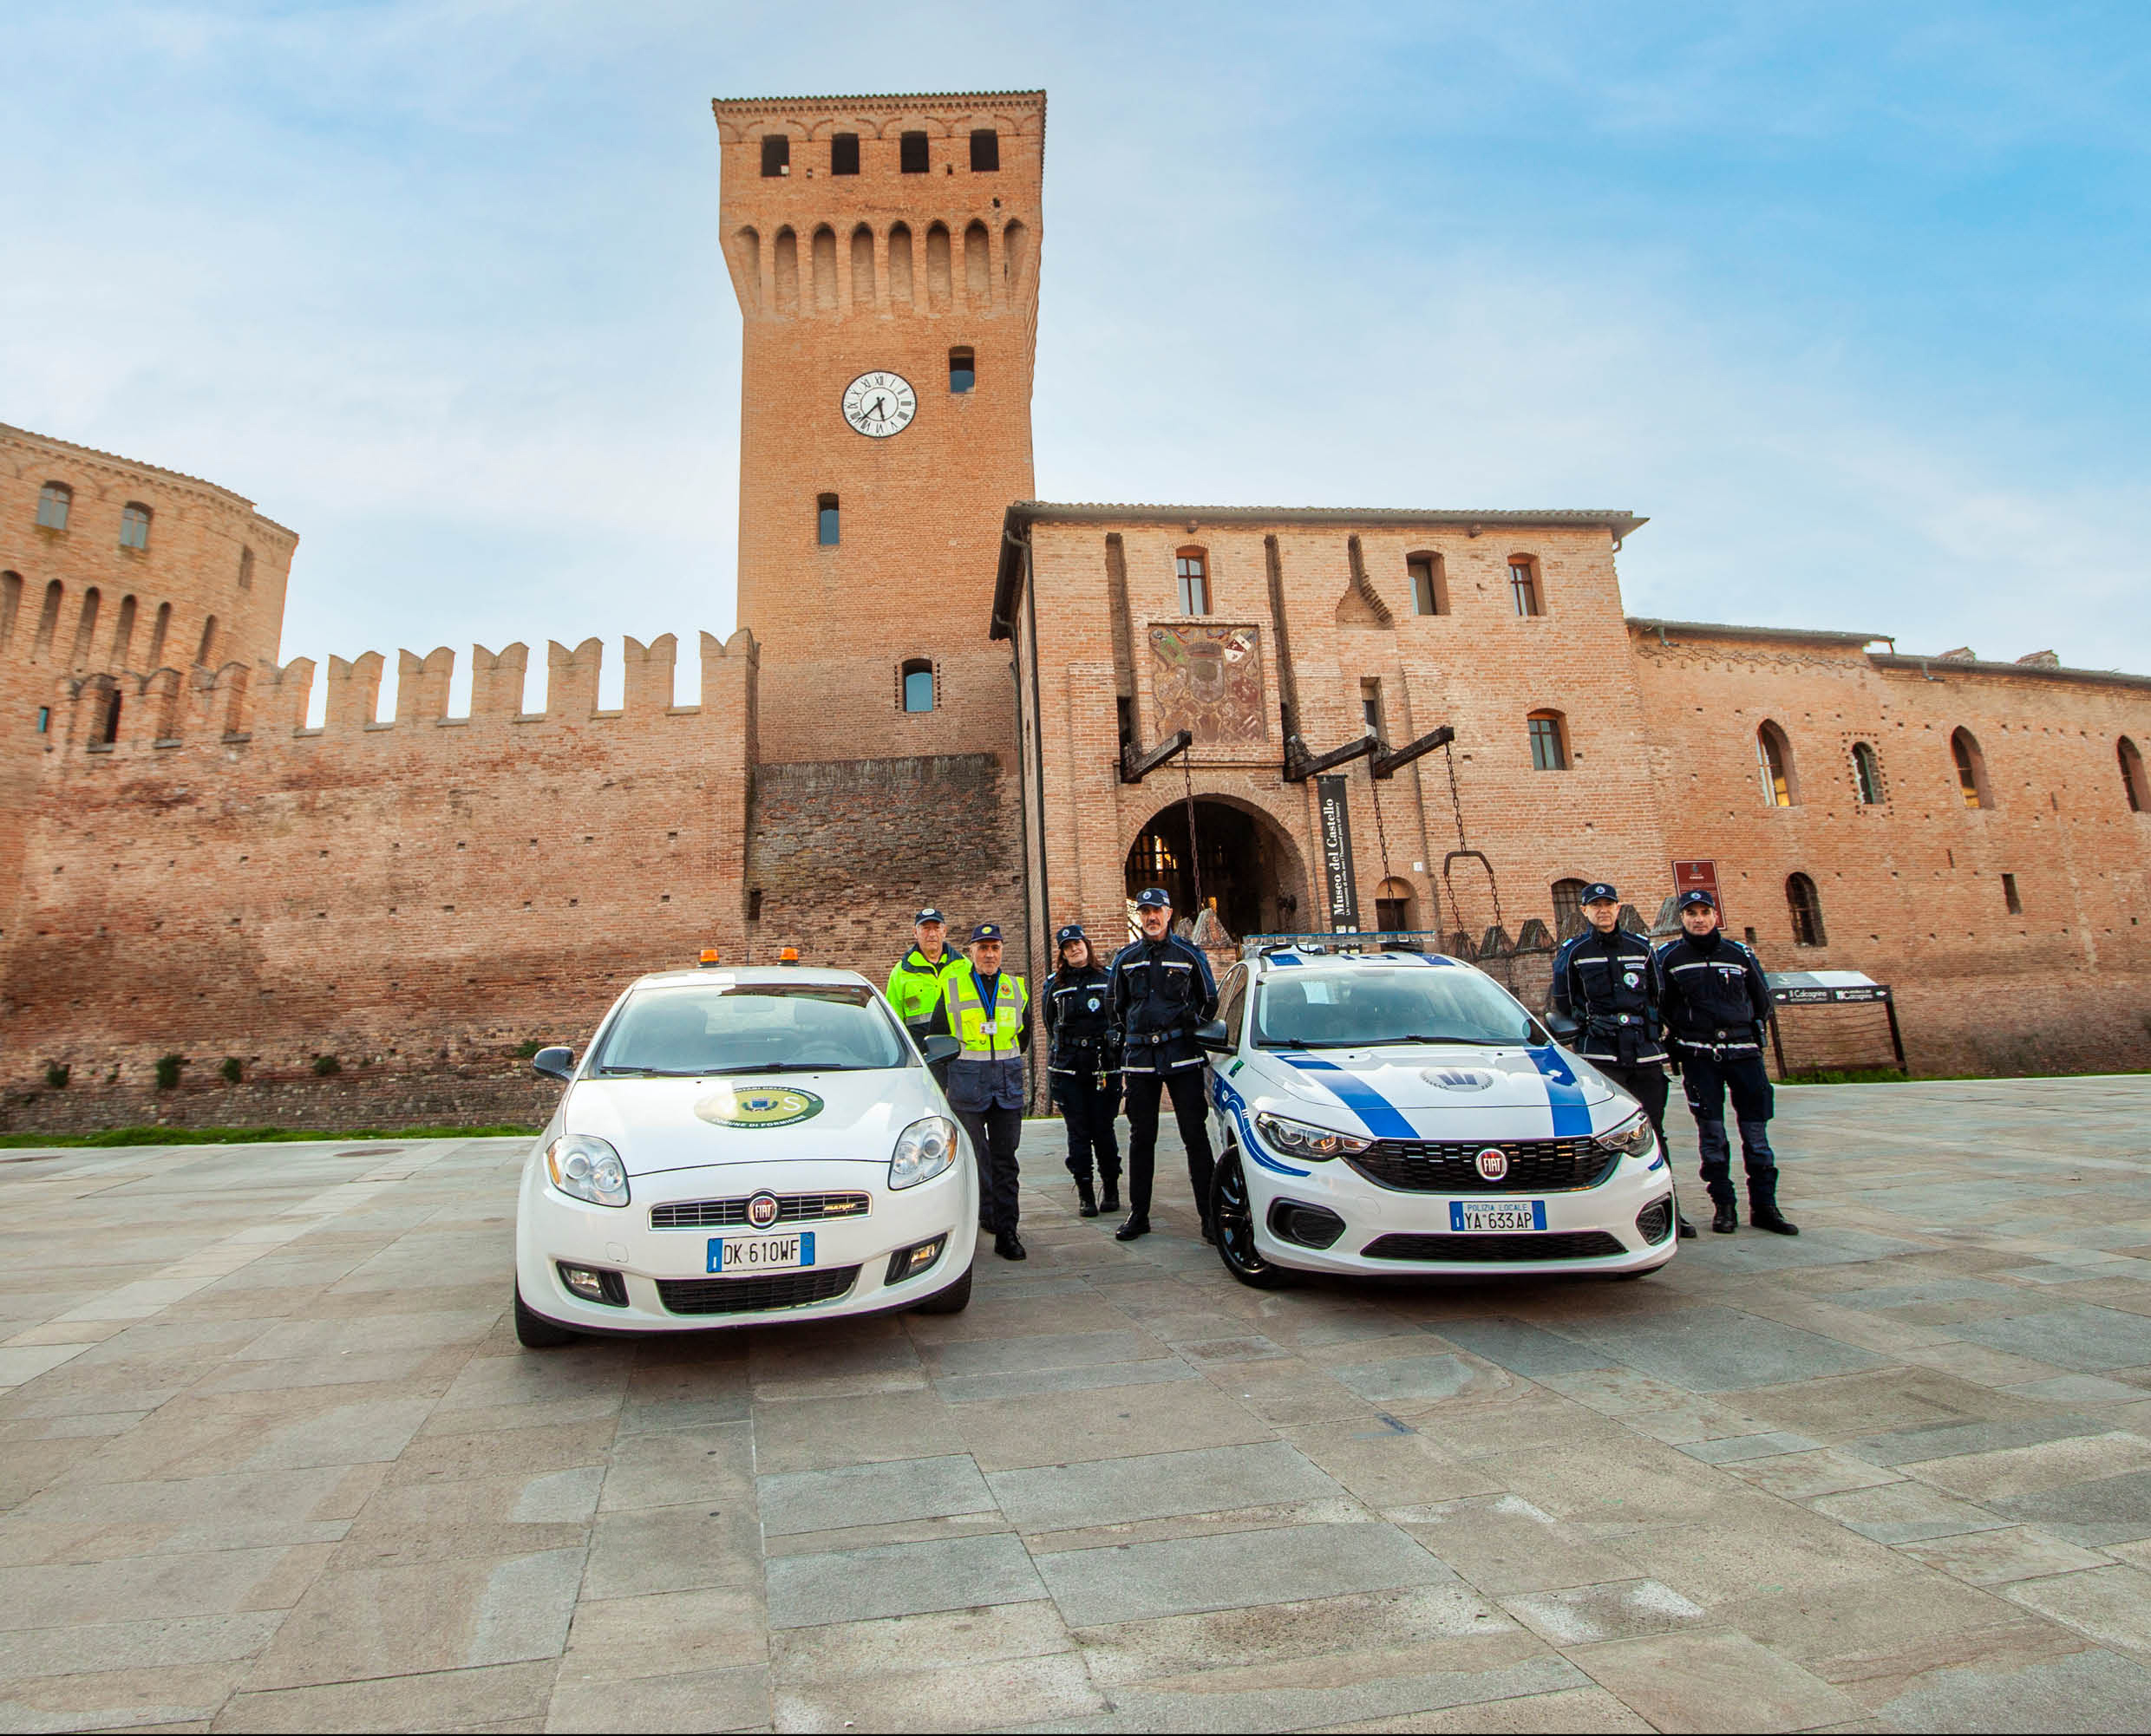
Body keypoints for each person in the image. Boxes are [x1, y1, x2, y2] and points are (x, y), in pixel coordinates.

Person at [1549, 883, 1696, 1238]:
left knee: (1654, 1133)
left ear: (1618, 908)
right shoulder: (1574, 952)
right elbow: (1564, 1003)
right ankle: (1599, 1212)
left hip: (1644, 1055)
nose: (1603, 911)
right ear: (1584, 911)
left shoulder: (1641, 948)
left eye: (1608, 905)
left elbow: (1657, 996)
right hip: (1601, 1055)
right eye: (1595, 905)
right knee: (1603, 1134)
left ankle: (1669, 1210)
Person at [1657, 889, 1798, 1237]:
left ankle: (1765, 1207)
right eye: (1692, 914)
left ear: (1716, 916)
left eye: (1705, 912)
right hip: (1698, 1056)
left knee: (1756, 1134)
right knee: (1712, 1135)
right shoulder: (1670, 957)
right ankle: (1724, 1206)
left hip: (1744, 1054)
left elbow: (1761, 1000)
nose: (1699, 919)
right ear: (1683, 919)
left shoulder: (1739, 954)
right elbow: (1661, 1003)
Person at [1108, 887, 1219, 1243]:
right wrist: (1134, 1034)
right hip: (1141, 1060)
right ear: (1139, 916)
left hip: (1182, 1057)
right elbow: (1116, 1007)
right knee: (1142, 1139)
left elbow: (1209, 1002)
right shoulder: (1126, 959)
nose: (1151, 917)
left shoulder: (1188, 954)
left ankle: (1209, 1218)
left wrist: (1188, 1025)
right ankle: (1138, 1215)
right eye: (1145, 912)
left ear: (1169, 913)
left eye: (1157, 910)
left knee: (1195, 1137)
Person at [943, 922, 1032, 1261]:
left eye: (995, 947)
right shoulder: (953, 987)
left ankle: (1007, 1231)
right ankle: (979, 1217)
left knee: (1006, 1159)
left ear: (1002, 951)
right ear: (971, 952)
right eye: (983, 948)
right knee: (971, 1157)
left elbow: (1022, 1037)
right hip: (967, 1083)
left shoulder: (1015, 987)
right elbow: (939, 1036)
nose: (989, 954)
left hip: (1006, 1083)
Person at [1043, 923, 1121, 1218]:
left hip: (1103, 1064)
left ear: (1087, 945)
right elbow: (1049, 1022)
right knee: (1077, 1133)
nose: (1074, 949)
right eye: (1068, 946)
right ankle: (1085, 1193)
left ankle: (1111, 1188)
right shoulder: (1055, 984)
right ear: (1062, 953)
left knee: (1104, 1130)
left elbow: (1119, 1013)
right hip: (1069, 1067)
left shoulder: (1108, 978)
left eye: (1078, 943)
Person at [886, 907, 965, 1087]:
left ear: (944, 931)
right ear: (915, 932)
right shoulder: (901, 973)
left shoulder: (964, 967)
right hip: (921, 1061)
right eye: (925, 928)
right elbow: (894, 1023)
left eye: (936, 928)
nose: (932, 934)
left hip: (960, 1058)